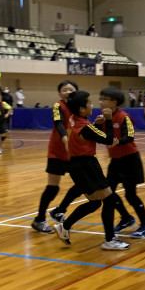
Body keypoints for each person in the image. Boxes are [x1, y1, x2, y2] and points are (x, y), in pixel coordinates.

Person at [52, 90, 128, 250]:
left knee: (95, 203)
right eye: (89, 103)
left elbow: (86, 136)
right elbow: (108, 139)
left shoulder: (73, 119)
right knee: (109, 200)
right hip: (86, 166)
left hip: (77, 165)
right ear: (82, 109)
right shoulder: (84, 126)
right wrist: (108, 120)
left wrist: (97, 125)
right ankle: (109, 240)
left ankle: (65, 226)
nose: (92, 105)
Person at [96, 86, 145, 238]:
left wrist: (117, 141)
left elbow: (130, 136)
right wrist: (97, 125)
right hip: (115, 161)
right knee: (108, 193)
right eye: (100, 99)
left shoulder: (124, 116)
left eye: (104, 99)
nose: (101, 102)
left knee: (131, 195)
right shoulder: (103, 117)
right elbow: (99, 135)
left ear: (114, 102)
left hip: (130, 160)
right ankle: (126, 218)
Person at [31, 80, 84, 234]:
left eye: (70, 89)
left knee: (82, 184)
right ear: (60, 94)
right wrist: (65, 140)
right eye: (64, 90)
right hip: (57, 152)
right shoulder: (57, 106)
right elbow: (58, 123)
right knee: (53, 188)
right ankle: (39, 219)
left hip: (74, 152)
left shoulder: (79, 109)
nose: (67, 92)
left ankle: (59, 210)